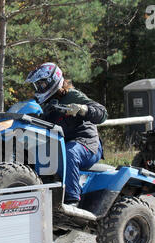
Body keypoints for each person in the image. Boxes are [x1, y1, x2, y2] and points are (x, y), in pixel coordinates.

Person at [25, 62, 108, 206]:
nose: (39, 88)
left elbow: (103, 114)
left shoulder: (72, 96)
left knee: (69, 153)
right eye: (38, 85)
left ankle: (72, 200)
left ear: (53, 80)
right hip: (61, 145)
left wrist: (83, 109)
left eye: (42, 84)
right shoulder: (43, 103)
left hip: (87, 144)